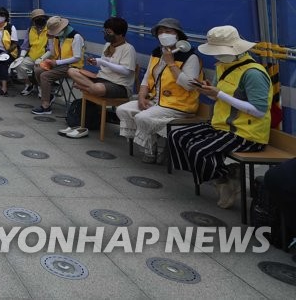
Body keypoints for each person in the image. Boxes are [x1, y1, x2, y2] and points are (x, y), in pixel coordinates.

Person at [169, 26, 274, 209]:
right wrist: (207, 90)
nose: (216, 56)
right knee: (178, 136)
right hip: (222, 125)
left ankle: (225, 181)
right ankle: (223, 176)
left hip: (246, 133)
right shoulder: (224, 67)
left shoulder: (253, 73)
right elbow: (218, 96)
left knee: (199, 150)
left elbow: (259, 110)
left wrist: (218, 94)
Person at [116, 18, 202, 162]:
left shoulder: (190, 56)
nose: (163, 34)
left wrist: (171, 63)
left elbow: (189, 85)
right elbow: (147, 77)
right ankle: (152, 148)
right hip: (156, 100)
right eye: (160, 32)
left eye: (168, 31)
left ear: (178, 35)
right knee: (122, 110)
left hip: (178, 105)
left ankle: (158, 150)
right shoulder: (157, 52)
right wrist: (142, 96)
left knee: (143, 117)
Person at [58, 16, 137, 138]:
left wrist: (104, 62)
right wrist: (96, 62)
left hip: (119, 85)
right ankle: (90, 87)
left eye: (109, 32)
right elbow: (104, 65)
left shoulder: (128, 48)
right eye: (105, 31)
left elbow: (126, 71)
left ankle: (87, 87)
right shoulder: (107, 45)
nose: (106, 34)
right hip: (101, 78)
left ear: (120, 34)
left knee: (98, 88)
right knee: (72, 71)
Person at [31, 16, 84, 115]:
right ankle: (49, 94)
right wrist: (42, 57)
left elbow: (77, 57)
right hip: (58, 64)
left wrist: (57, 62)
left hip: (72, 66)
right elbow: (51, 52)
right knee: (37, 70)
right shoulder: (56, 36)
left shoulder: (76, 37)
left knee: (45, 76)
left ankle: (46, 106)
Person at [14, 9, 50, 96]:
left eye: (41, 18)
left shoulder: (50, 30)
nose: (39, 19)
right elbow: (25, 45)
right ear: (33, 20)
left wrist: (42, 58)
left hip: (45, 58)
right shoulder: (30, 30)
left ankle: (41, 88)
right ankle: (28, 84)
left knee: (39, 70)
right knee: (18, 65)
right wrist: (22, 56)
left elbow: (51, 50)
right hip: (31, 57)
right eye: (36, 18)